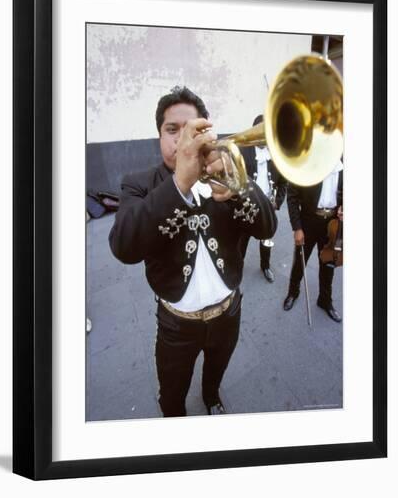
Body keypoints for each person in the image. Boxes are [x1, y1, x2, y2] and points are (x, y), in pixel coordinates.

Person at [109, 86, 277, 417]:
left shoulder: (227, 174)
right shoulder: (139, 183)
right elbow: (124, 246)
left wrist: (238, 189)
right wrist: (179, 185)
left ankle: (212, 396)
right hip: (175, 323)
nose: (184, 141)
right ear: (159, 136)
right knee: (172, 390)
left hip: (228, 314)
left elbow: (267, 228)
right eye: (173, 130)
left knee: (217, 369)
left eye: (193, 131)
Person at [282, 161, 343, 322]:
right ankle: (293, 293)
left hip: (332, 223)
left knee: (328, 263)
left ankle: (325, 300)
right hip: (308, 222)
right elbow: (292, 197)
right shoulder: (308, 163)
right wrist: (297, 228)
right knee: (300, 262)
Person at [239, 114, 287, 282]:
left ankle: (265, 266)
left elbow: (283, 183)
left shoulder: (276, 155)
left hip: (267, 206)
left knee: (266, 239)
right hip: (246, 206)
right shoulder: (242, 152)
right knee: (242, 240)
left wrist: (277, 202)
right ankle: (238, 266)